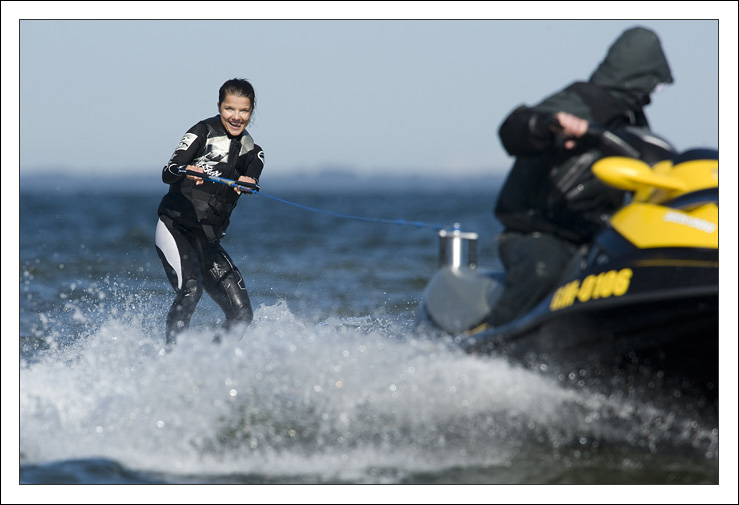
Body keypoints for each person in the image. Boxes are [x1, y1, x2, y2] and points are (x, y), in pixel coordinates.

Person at [489, 26, 674, 326]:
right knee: (542, 271)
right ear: (642, 73)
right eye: (655, 84)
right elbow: (512, 130)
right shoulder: (580, 101)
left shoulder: (634, 122)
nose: (655, 92)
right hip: (538, 232)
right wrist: (546, 124)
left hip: (594, 235)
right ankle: (487, 344)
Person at [155, 78, 265, 345]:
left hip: (209, 242)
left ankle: (211, 363)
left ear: (252, 112)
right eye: (230, 109)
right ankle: (172, 361)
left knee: (242, 315)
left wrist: (249, 182)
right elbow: (167, 172)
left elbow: (253, 177)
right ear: (219, 106)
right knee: (191, 290)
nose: (236, 117)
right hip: (175, 228)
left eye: (244, 111)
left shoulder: (254, 153)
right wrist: (186, 169)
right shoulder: (201, 132)